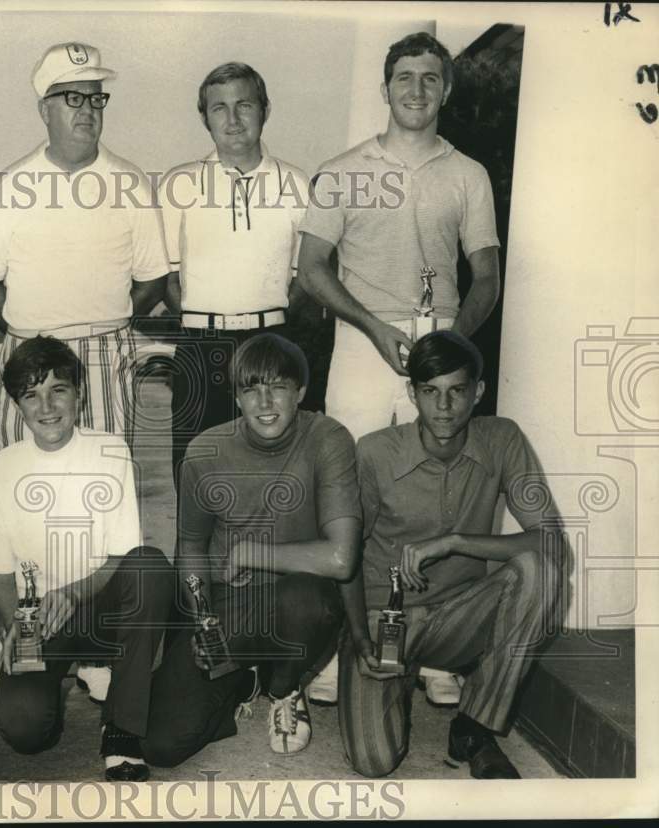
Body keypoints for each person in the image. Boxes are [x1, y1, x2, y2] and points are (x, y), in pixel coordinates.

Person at [298, 32, 500, 704]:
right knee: (347, 499)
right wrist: (370, 325)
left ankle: (439, 648)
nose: (416, 90)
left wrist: (450, 343)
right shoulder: (343, 168)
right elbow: (312, 268)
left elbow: (487, 276)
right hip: (365, 340)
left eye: (430, 79)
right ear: (385, 88)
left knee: (440, 494)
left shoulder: (468, 173)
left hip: (439, 345)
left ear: (447, 90)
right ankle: (336, 648)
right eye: (405, 77)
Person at [338, 330, 564, 779]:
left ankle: (474, 727)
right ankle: (393, 685)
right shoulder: (375, 451)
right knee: (374, 761)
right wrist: (360, 635)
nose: (443, 407)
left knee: (539, 570)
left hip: (459, 617)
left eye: (457, 391)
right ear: (412, 393)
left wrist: (456, 541)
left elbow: (553, 542)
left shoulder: (502, 438)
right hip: (387, 623)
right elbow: (345, 556)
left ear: (478, 392)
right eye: (430, 392)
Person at [141, 333, 360, 764]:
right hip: (231, 607)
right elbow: (189, 545)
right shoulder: (205, 451)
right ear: (237, 397)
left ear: (300, 391)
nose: (264, 401)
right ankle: (243, 681)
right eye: (250, 389)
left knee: (306, 600)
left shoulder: (329, 439)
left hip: (294, 601)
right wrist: (202, 615)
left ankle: (285, 686)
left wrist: (250, 553)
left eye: (277, 386)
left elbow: (341, 557)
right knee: (161, 746)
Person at [0, 336, 173, 782]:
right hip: (40, 620)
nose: (46, 406)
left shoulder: (111, 450)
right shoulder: (1, 468)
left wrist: (72, 591)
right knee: (26, 730)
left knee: (150, 566)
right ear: (17, 406)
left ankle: (121, 731)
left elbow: (122, 556)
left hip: (98, 608)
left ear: (79, 396)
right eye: (31, 394)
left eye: (57, 390)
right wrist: (16, 630)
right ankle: (64, 674)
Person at [0, 42, 169, 451]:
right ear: (44, 109)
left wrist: (106, 324)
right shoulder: (10, 187)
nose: (88, 110)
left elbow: (153, 279)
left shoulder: (131, 184)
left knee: (104, 481)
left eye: (96, 99)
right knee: (24, 482)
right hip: (28, 351)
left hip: (106, 354)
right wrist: (26, 335)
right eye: (73, 98)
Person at [160, 63, 309, 492]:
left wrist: (270, 327)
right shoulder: (179, 185)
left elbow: (305, 278)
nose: (232, 119)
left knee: (274, 477)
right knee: (195, 473)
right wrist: (205, 323)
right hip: (200, 350)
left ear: (265, 109)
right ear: (204, 117)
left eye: (244, 105)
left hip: (271, 346)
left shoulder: (296, 185)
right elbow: (168, 279)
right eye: (218, 108)